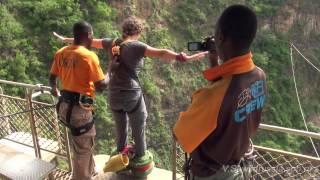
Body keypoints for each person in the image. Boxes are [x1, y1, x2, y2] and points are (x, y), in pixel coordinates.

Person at [53, 17, 207, 163]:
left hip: (113, 95)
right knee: (139, 131)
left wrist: (67, 40)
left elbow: (91, 42)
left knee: (121, 131)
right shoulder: (137, 46)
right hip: (132, 96)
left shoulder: (110, 43)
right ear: (138, 33)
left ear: (124, 30)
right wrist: (182, 57)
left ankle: (120, 162)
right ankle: (140, 162)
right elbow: (161, 52)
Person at [173, 5, 267, 180]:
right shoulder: (259, 76)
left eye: (216, 36)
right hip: (243, 164)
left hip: (214, 174)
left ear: (221, 37)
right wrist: (213, 60)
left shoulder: (212, 96)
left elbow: (179, 134)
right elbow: (228, 91)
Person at [49, 21, 108, 180]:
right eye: (92, 35)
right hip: (80, 109)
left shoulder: (61, 52)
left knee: (82, 143)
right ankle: (82, 177)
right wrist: (112, 71)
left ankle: (90, 171)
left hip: (64, 107)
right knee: (83, 148)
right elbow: (101, 86)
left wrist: (54, 89)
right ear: (88, 35)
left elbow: (52, 76)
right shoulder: (88, 56)